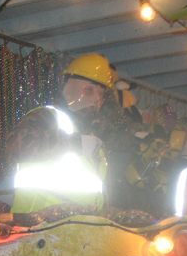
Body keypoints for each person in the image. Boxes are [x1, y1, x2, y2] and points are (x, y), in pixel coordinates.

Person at [6, 53, 115, 213]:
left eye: (101, 93)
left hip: (79, 229)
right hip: (38, 227)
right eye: (89, 90)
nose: (96, 99)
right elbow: (16, 145)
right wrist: (74, 144)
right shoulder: (47, 116)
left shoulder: (89, 131)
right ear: (68, 86)